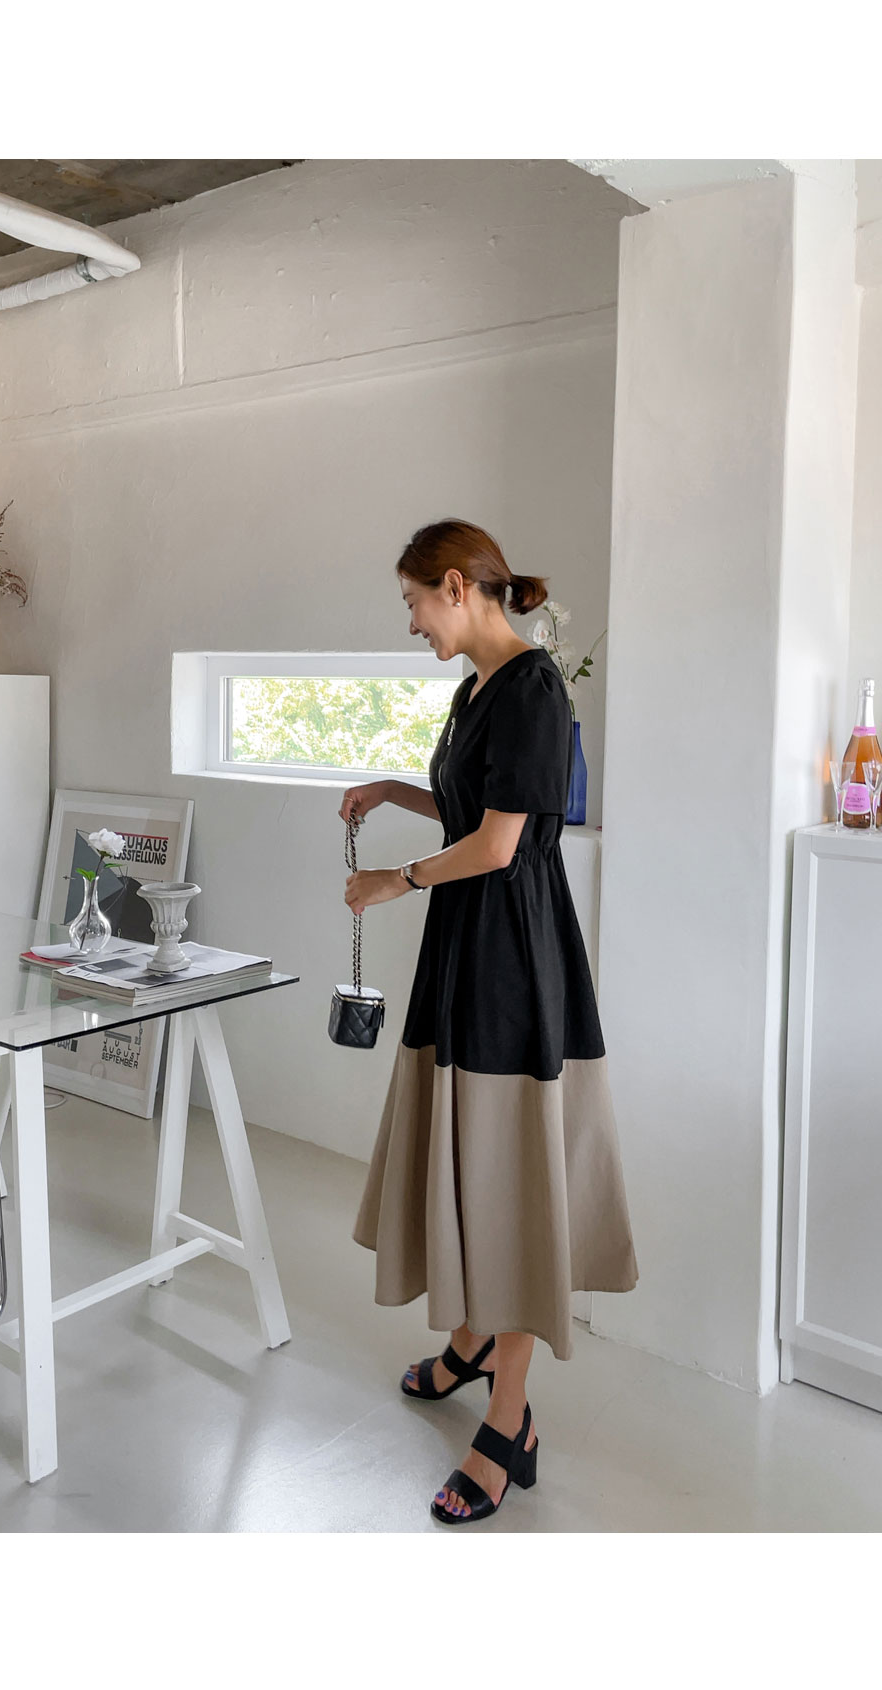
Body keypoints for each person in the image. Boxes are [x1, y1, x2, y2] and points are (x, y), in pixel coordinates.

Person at [339, 518, 638, 1526]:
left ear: (458, 587)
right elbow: (476, 808)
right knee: (472, 1154)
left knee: (508, 1172)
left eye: (415, 603)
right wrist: (395, 791)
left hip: (513, 956)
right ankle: (471, 1342)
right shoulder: (475, 689)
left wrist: (395, 879)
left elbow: (503, 845)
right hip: (467, 947)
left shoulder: (535, 687)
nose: (412, 623)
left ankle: (509, 1421)